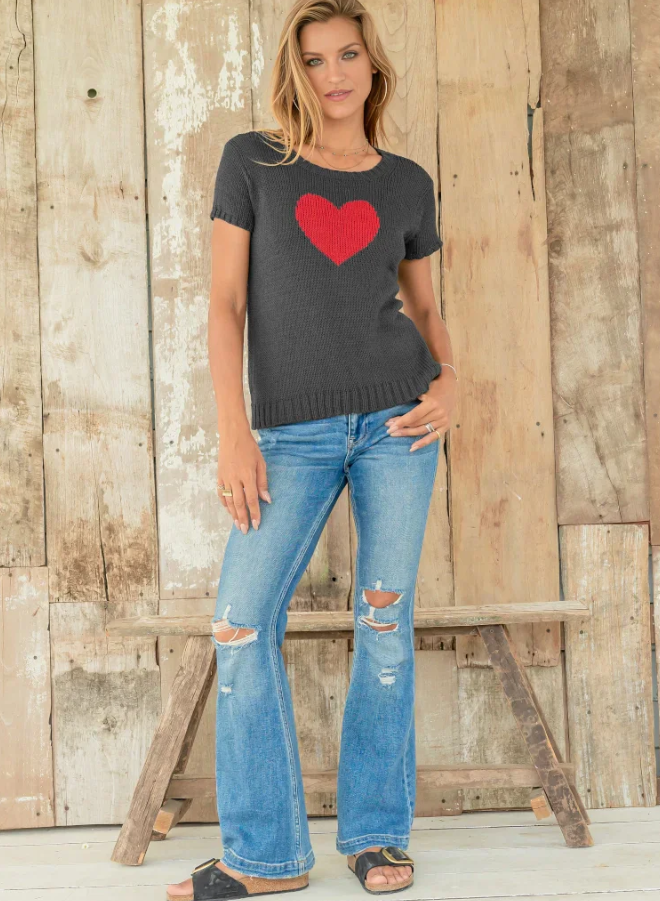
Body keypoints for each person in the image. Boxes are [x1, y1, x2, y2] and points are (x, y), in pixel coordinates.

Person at [166, 1, 458, 897]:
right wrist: (234, 431)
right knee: (241, 622)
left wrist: (450, 380)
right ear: (296, 72)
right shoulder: (253, 163)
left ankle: (375, 836)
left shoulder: (406, 182)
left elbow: (424, 306)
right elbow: (225, 305)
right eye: (316, 59)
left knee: (384, 624)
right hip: (289, 434)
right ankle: (267, 855)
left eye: (348, 55)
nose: (334, 74)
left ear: (373, 67)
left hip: (399, 423)